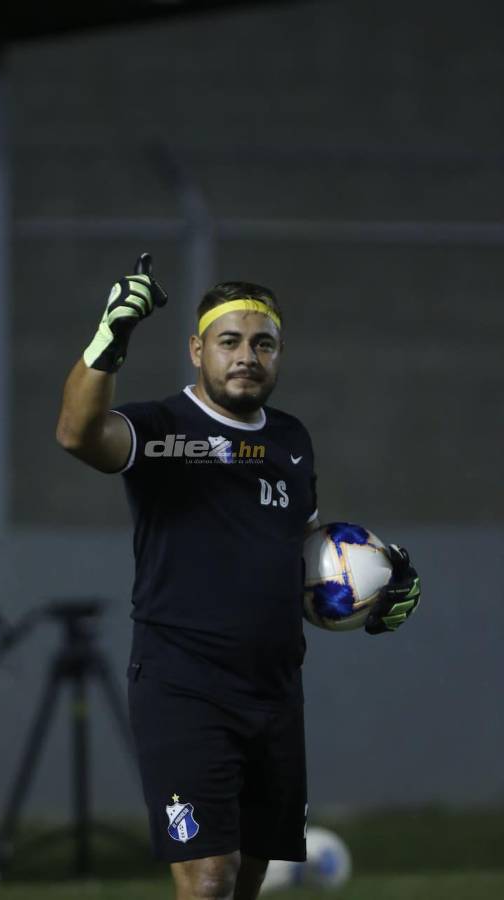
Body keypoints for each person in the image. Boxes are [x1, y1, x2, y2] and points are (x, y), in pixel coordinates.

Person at [56, 254, 421, 900]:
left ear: (280, 355)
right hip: (184, 687)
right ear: (199, 350)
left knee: (250, 879)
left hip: (275, 691)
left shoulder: (291, 440)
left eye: (263, 344)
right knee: (208, 879)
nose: (246, 356)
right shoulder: (165, 430)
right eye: (230, 342)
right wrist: (109, 336)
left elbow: (303, 548)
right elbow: (78, 434)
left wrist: (377, 584)